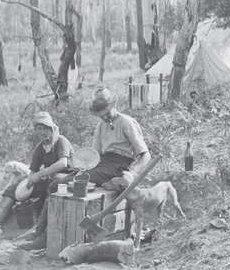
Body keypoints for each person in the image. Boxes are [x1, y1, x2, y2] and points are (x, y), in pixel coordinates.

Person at [18, 87, 151, 250]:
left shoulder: (126, 122)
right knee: (57, 184)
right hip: (103, 164)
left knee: (75, 182)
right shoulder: (100, 127)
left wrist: (131, 174)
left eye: (106, 111)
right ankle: (42, 232)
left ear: (112, 106)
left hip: (120, 166)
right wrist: (81, 165)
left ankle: (48, 236)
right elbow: (94, 155)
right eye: (100, 113)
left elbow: (145, 155)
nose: (103, 116)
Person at [2, 111, 73, 218]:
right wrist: (27, 186)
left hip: (67, 179)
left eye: (45, 128)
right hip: (49, 181)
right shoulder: (39, 148)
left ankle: (43, 218)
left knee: (54, 181)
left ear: (52, 129)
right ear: (36, 131)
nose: (42, 131)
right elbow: (33, 171)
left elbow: (63, 163)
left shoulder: (61, 141)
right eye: (39, 128)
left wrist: (39, 175)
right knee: (12, 189)